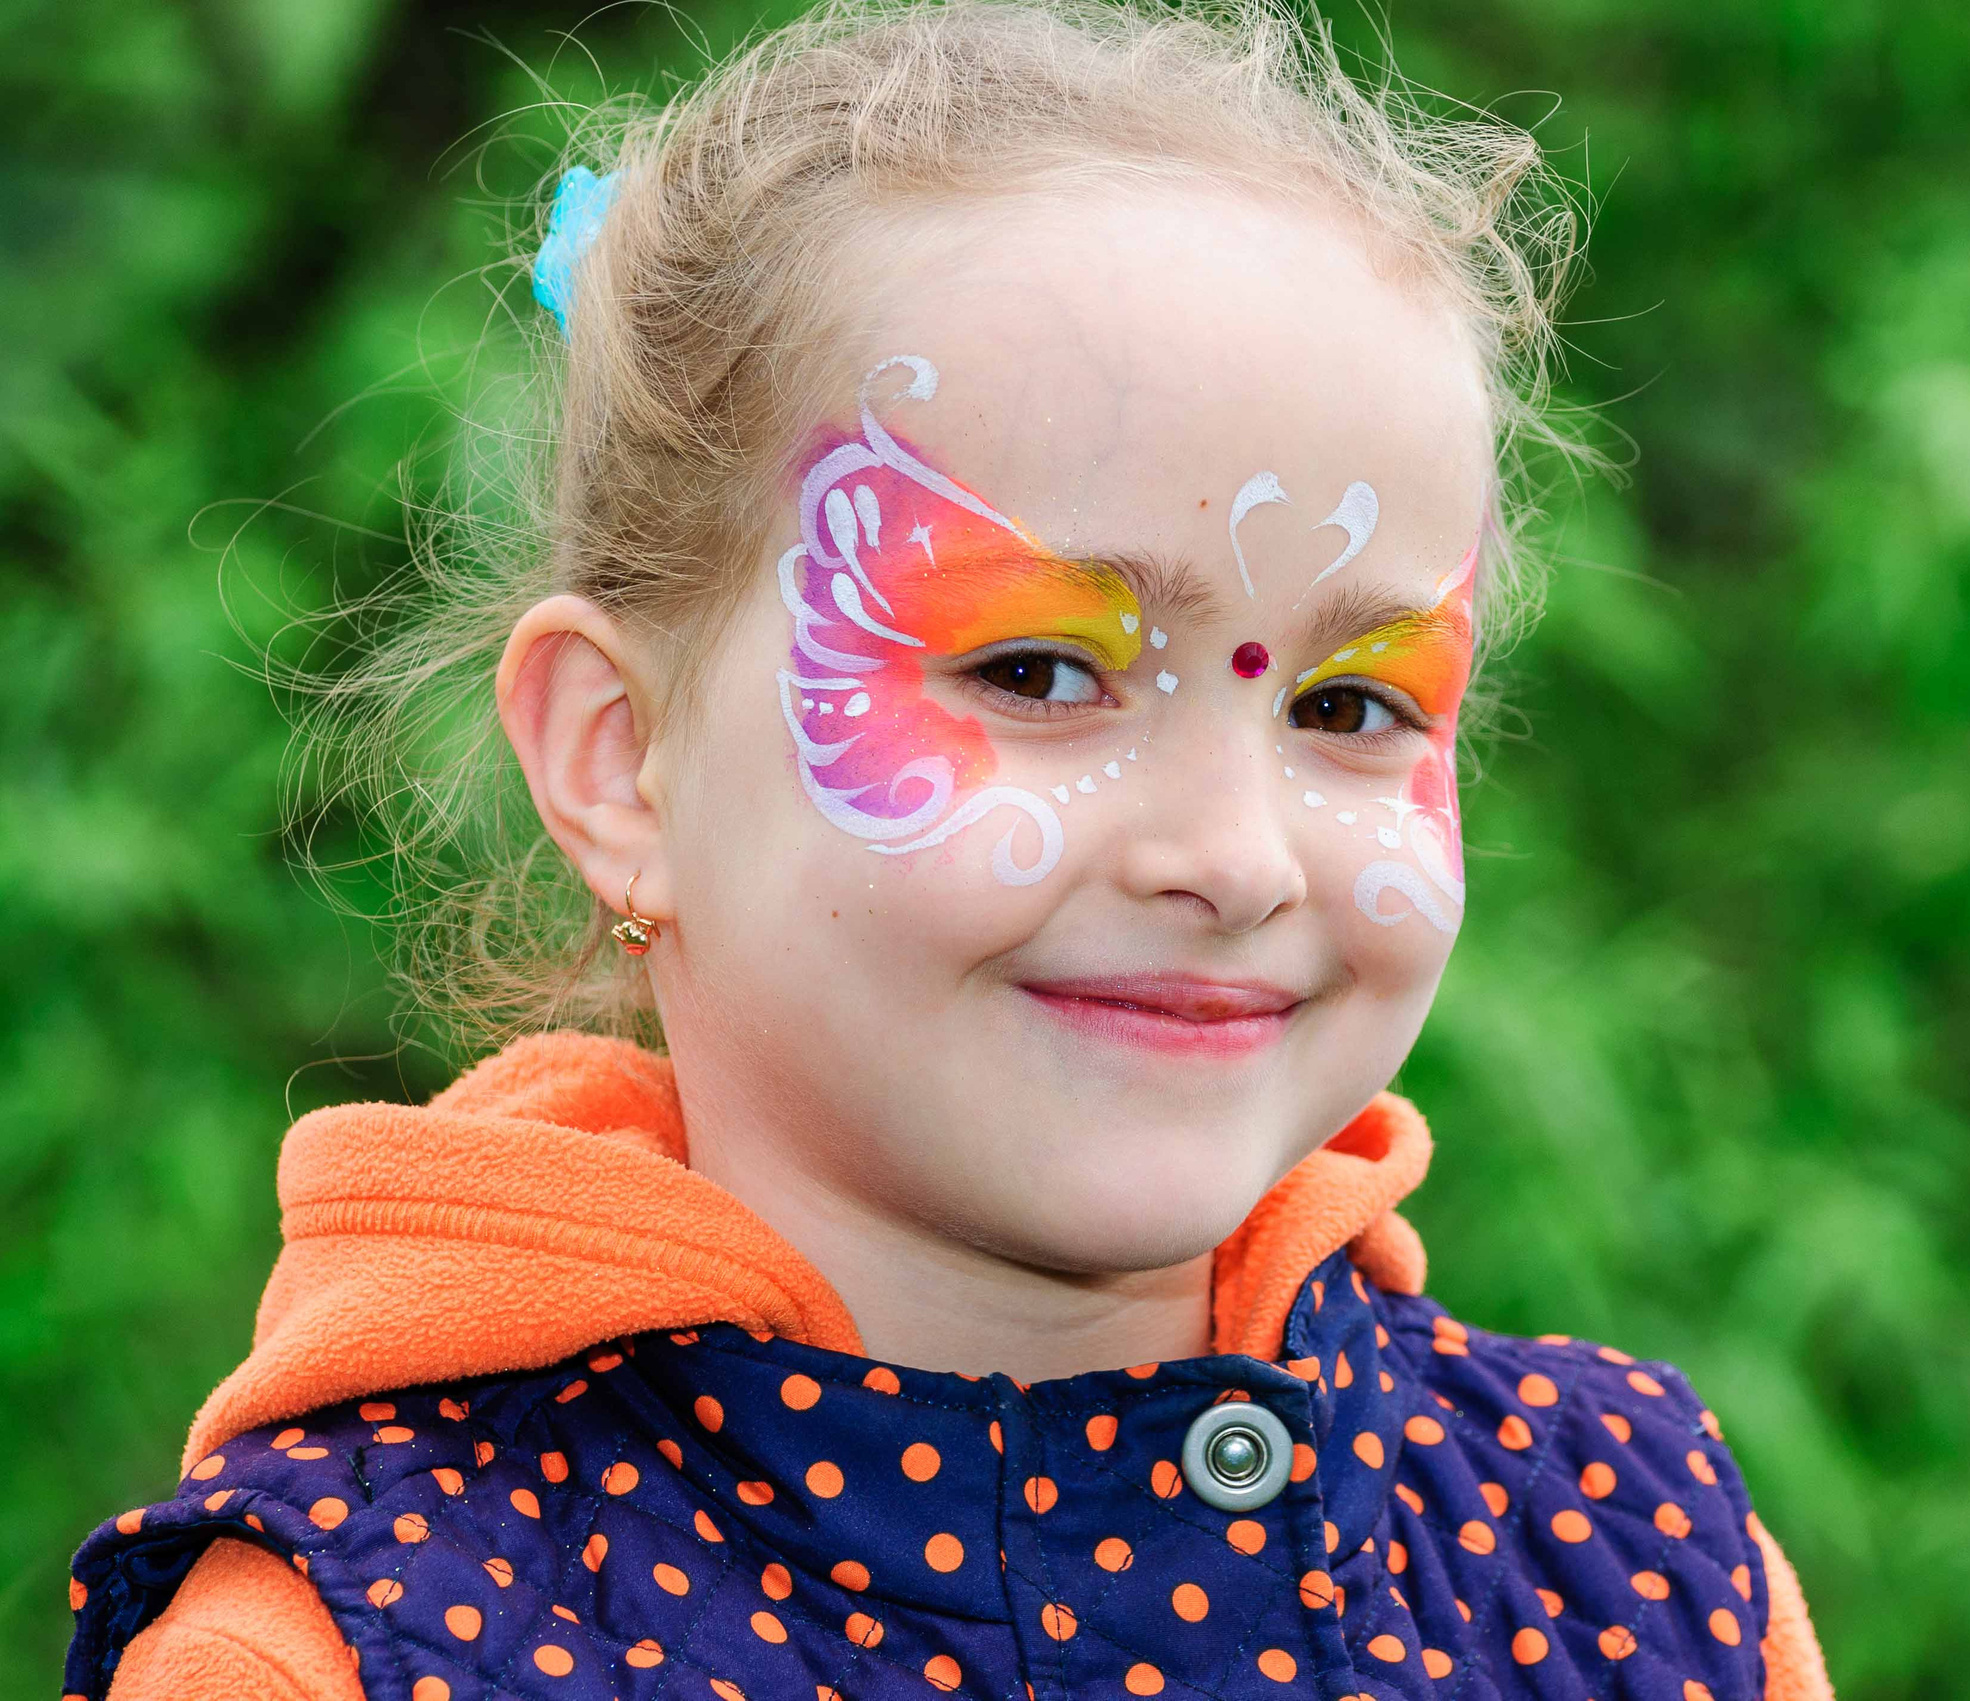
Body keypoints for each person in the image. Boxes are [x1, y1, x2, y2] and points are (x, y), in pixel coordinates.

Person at [62, 3, 1833, 1696]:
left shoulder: (1638, 1567)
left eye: (1352, 707)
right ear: (620, 764)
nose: (1233, 856)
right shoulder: (348, 1646)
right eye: (1041, 670)